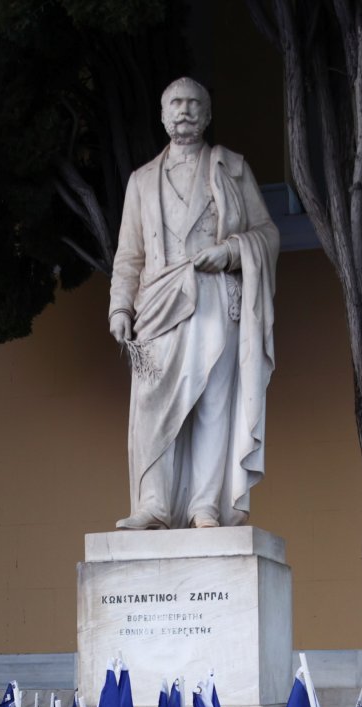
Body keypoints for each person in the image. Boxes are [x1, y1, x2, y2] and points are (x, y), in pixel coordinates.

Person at [107, 76, 279, 531]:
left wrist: (230, 252)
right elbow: (129, 255)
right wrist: (120, 308)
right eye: (175, 104)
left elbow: (267, 233)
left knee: (212, 404)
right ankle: (154, 504)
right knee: (152, 406)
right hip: (157, 305)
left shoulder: (232, 169)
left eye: (193, 103)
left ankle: (205, 506)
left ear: (207, 113)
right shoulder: (141, 181)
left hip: (214, 299)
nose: (184, 110)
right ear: (163, 115)